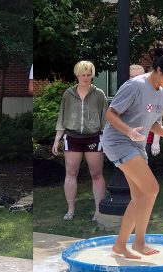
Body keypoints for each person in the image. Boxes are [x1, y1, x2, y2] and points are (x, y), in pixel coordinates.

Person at [102, 46, 163, 259]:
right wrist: (128, 131)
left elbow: (153, 125)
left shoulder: (161, 91)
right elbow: (110, 113)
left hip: (136, 144)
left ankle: (121, 245)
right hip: (118, 141)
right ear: (159, 70)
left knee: (141, 195)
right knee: (151, 188)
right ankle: (139, 242)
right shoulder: (135, 86)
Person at [52, 60, 108, 221]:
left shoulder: (99, 94)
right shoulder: (68, 94)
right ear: (77, 75)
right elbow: (62, 118)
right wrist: (57, 140)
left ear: (92, 75)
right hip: (72, 137)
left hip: (94, 137)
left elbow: (105, 118)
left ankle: (98, 211)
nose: (85, 78)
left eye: (88, 75)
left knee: (96, 174)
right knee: (71, 173)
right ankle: (70, 210)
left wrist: (106, 138)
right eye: (83, 75)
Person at [130, 64, 161, 158]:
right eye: (134, 77)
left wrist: (156, 142)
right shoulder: (124, 95)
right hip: (126, 143)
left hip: (146, 141)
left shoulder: (152, 96)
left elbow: (158, 120)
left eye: (140, 77)